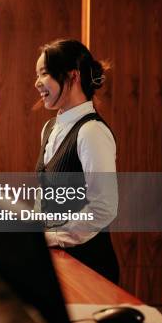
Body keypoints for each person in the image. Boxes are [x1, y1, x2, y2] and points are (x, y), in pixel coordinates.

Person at [33, 38, 119, 283]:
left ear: (73, 76)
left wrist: (54, 237)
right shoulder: (49, 127)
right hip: (58, 258)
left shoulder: (92, 131)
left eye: (45, 73)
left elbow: (103, 208)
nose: (37, 82)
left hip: (89, 264)